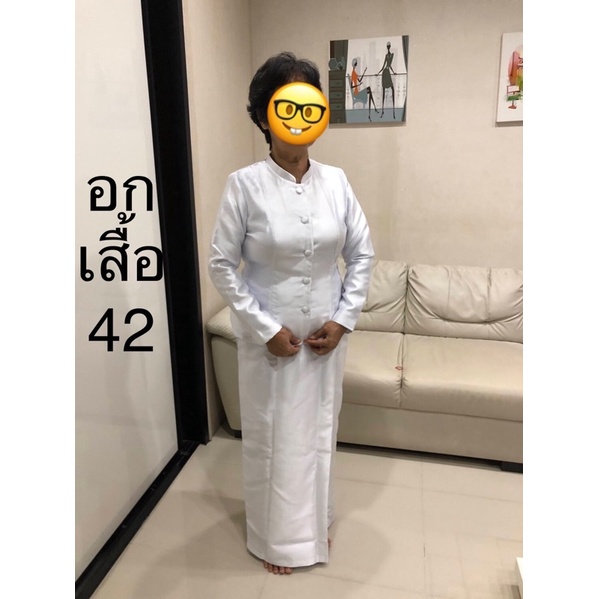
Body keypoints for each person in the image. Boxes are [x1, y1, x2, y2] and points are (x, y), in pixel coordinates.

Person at [208, 52, 374, 575]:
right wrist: (264, 329)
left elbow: (362, 254)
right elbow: (221, 264)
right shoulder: (245, 185)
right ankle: (277, 541)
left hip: (326, 338)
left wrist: (343, 319)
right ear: (264, 116)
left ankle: (314, 526)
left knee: (319, 434)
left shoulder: (337, 182)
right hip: (270, 341)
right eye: (286, 105)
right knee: (273, 439)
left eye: (309, 105)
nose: (298, 119)